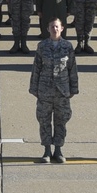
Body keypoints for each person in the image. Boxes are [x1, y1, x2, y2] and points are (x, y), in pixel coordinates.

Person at [29, 17, 79, 163]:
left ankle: (58, 150)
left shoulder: (68, 46)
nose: (54, 29)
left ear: (62, 28)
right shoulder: (42, 46)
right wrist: (34, 88)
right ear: (48, 29)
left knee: (61, 120)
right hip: (45, 90)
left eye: (57, 27)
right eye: (52, 26)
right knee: (44, 121)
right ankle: (46, 150)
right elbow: (36, 68)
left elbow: (72, 69)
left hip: (62, 91)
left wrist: (73, 89)